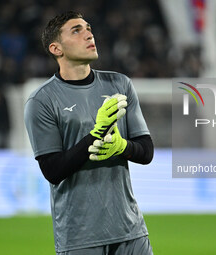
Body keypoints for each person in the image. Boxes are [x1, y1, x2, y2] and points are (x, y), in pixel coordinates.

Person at [24, 11, 154, 255]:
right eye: (76, 30)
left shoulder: (120, 84)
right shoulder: (42, 101)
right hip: (80, 238)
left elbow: (146, 151)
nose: (89, 34)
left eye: (88, 28)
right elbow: (53, 170)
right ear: (56, 48)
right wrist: (97, 133)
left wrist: (121, 147)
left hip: (131, 231)